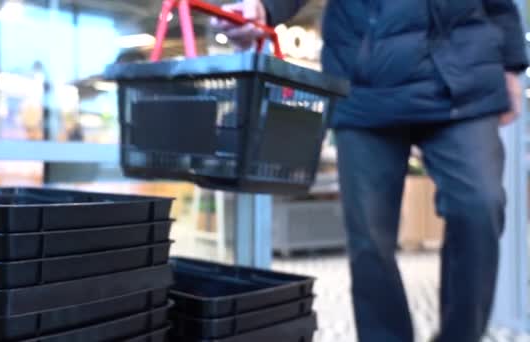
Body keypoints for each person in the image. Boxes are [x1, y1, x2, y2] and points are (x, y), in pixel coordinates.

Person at [214, 0, 528, 341]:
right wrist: (265, 7)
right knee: (369, 238)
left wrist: (513, 65)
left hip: (462, 75)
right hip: (365, 81)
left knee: (479, 206)